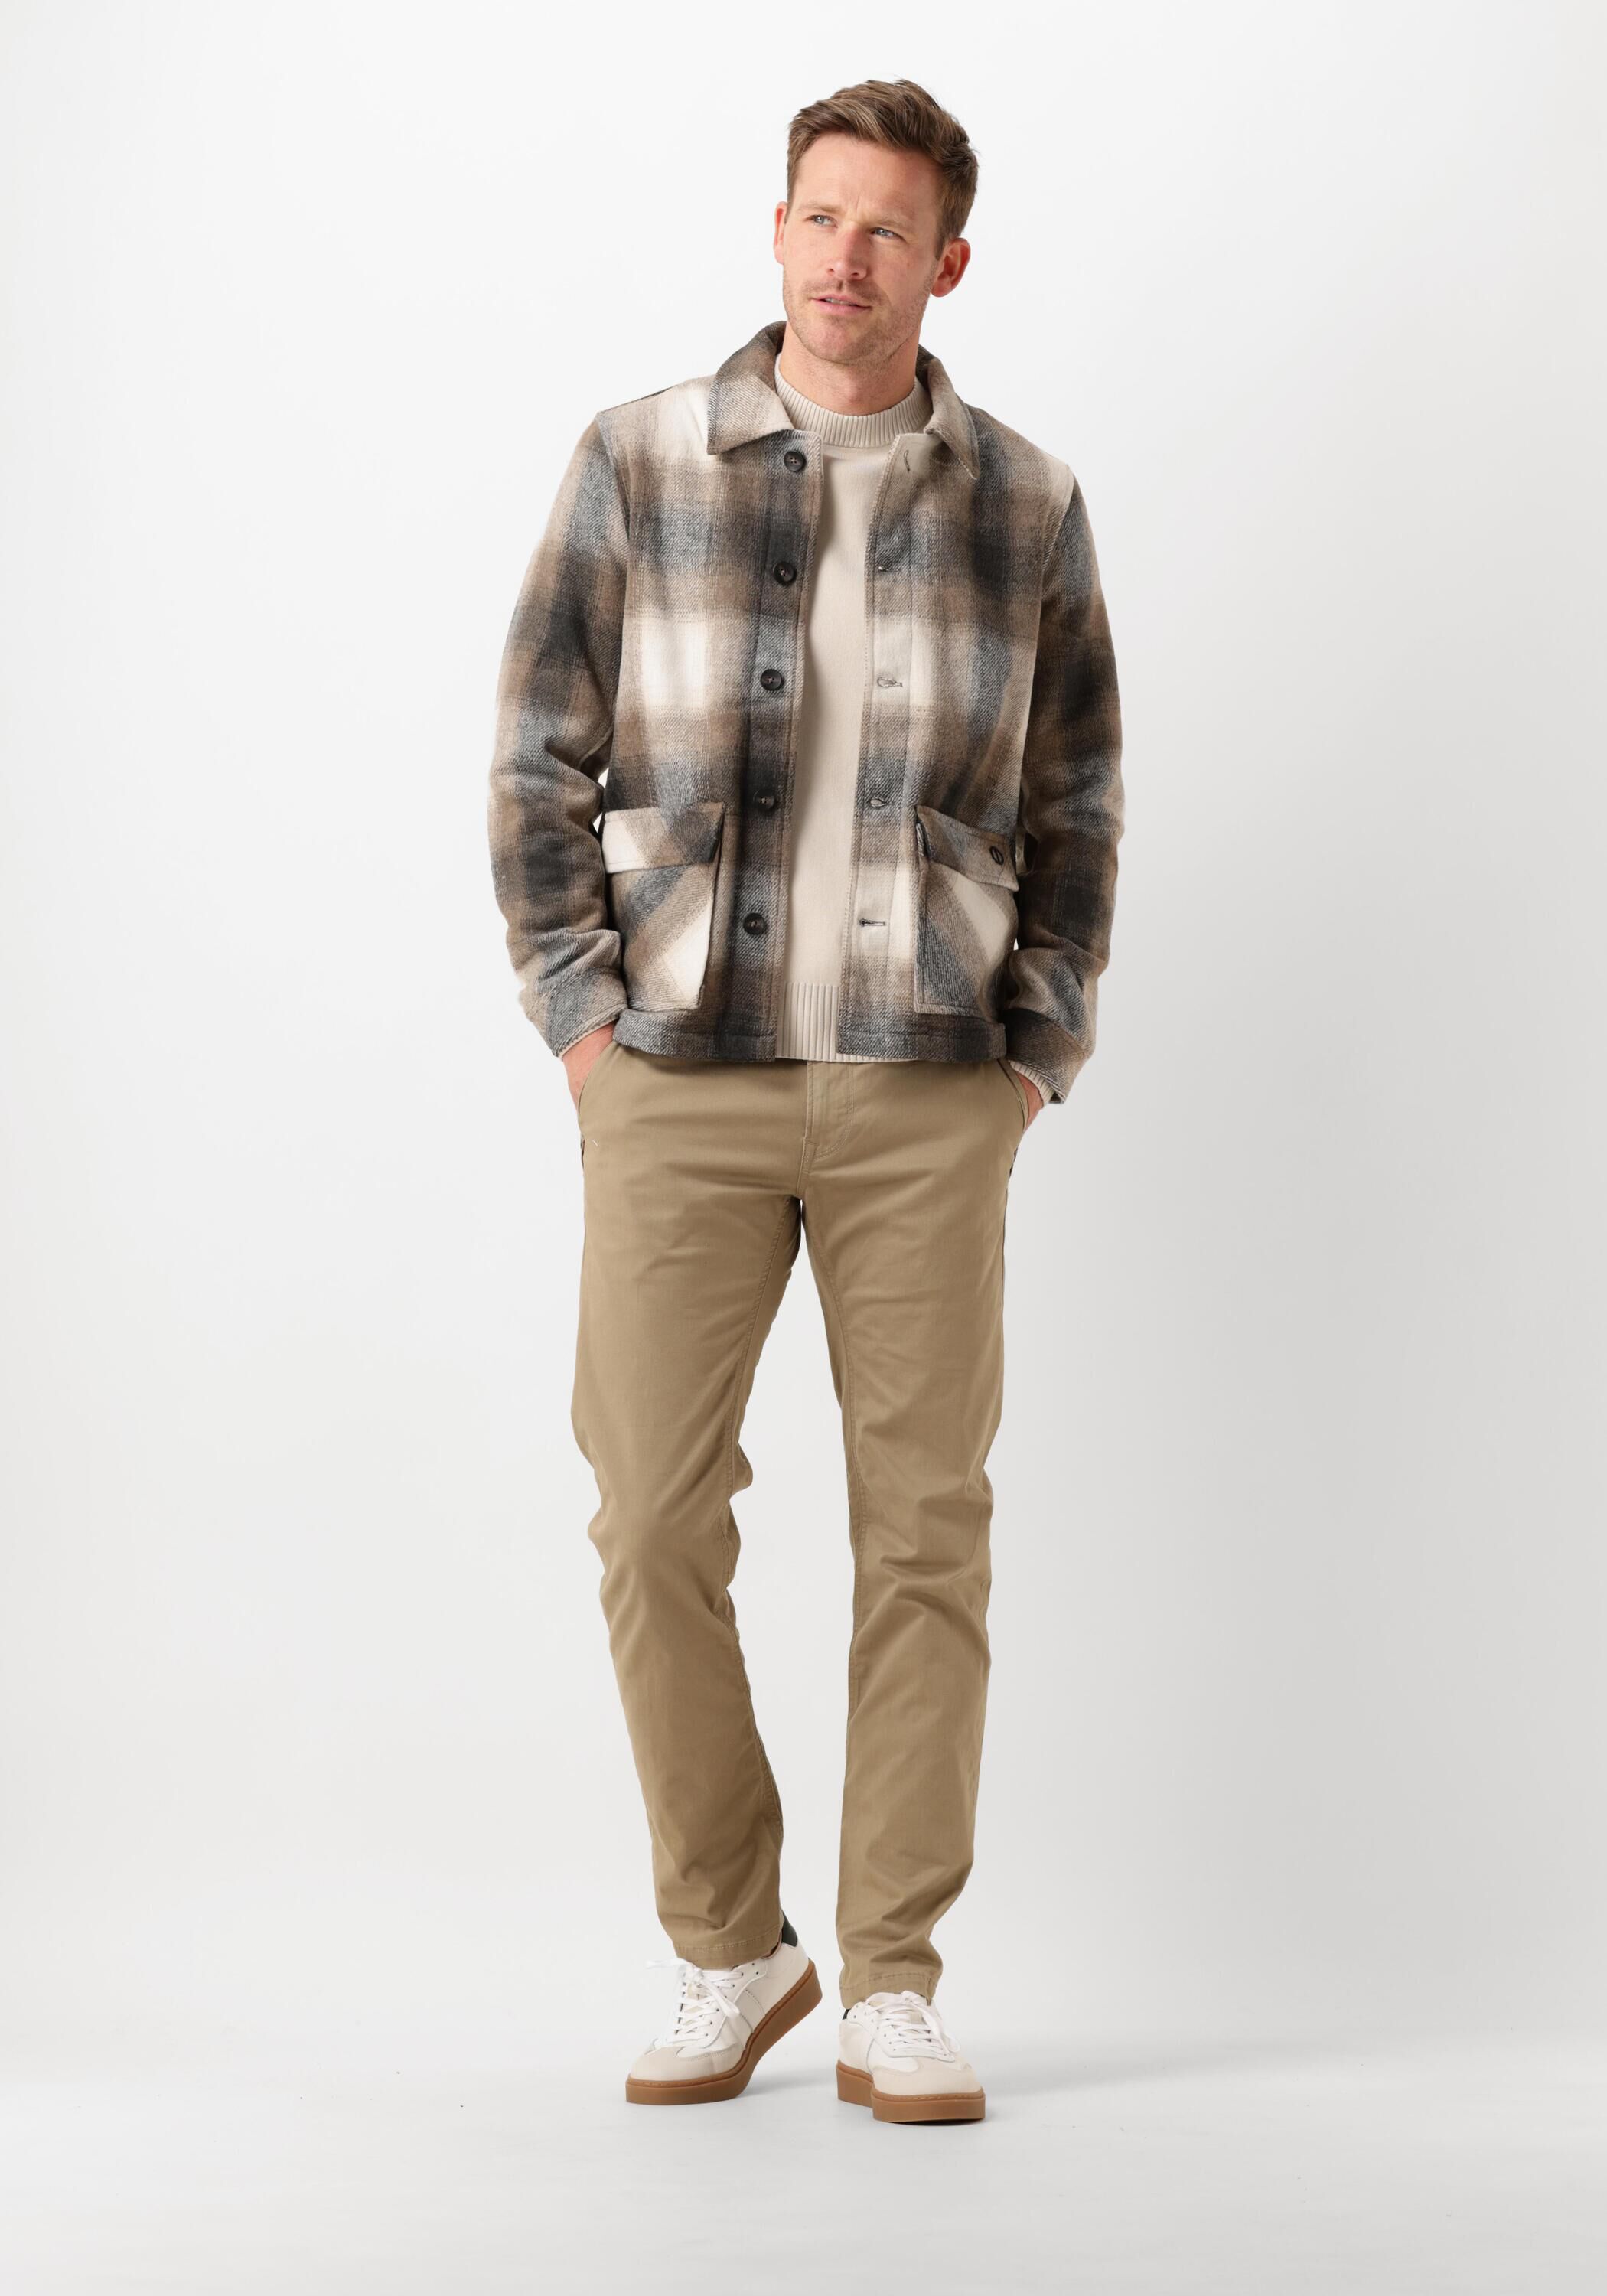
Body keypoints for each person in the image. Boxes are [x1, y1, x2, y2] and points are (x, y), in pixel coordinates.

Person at [487, 75, 1123, 2125]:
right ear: (777, 231)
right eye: (819, 216)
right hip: (675, 1072)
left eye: (888, 228)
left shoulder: (1024, 503)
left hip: (930, 1082)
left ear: (948, 261)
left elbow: (1078, 797)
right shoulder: (638, 458)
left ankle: (893, 1981)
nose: (847, 257)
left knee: (926, 1528)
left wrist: (1035, 1044)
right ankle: (731, 1948)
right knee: (651, 1513)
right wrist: (581, 1022)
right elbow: (536, 756)